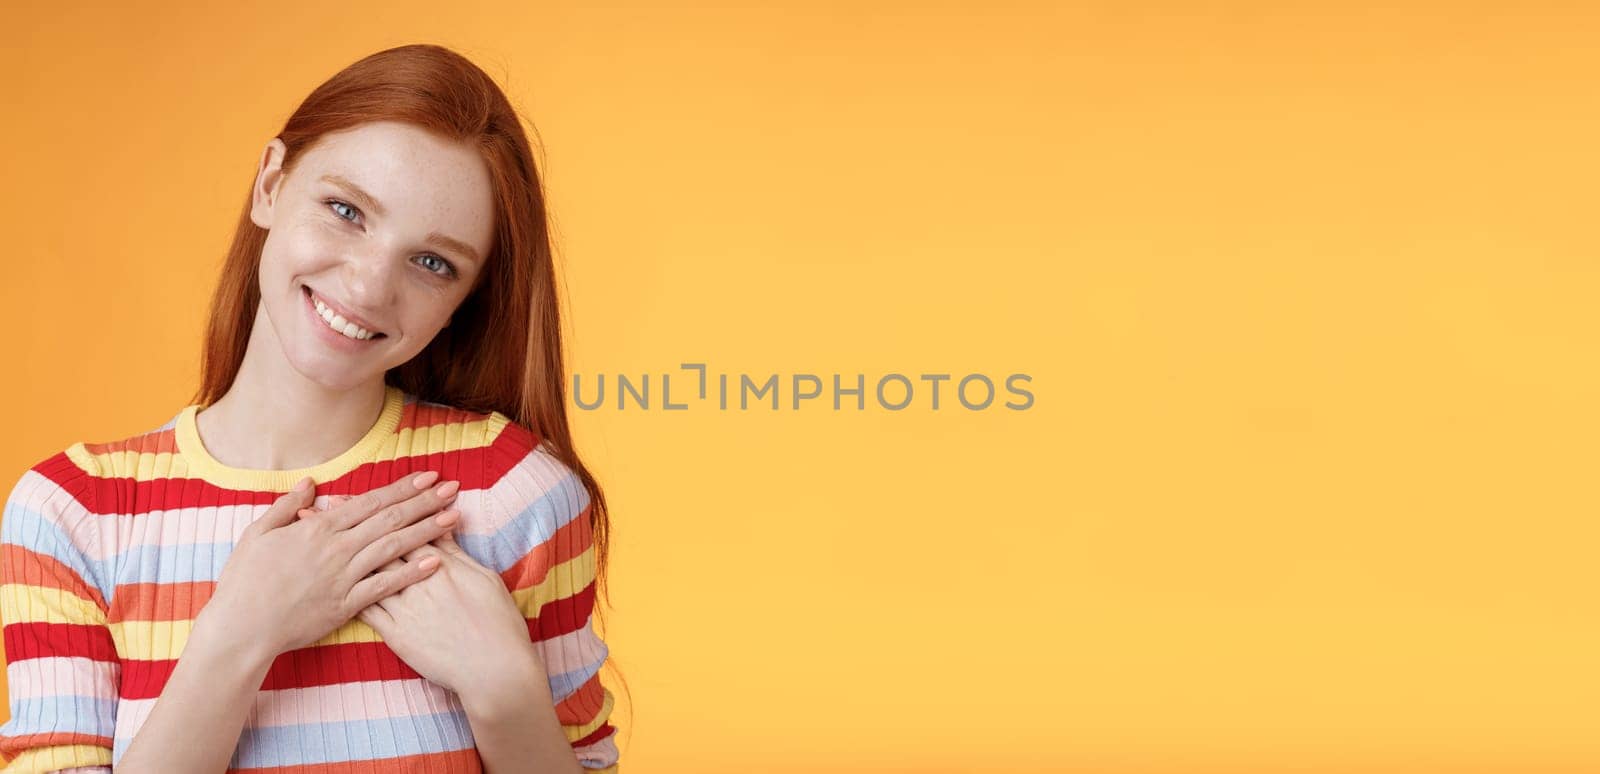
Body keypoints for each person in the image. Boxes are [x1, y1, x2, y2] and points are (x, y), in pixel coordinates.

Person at [0, 43, 625, 773]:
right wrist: (235, 638)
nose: (366, 287)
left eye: (432, 263)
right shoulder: (74, 513)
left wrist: (507, 693)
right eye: (345, 210)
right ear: (270, 184)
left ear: (464, 301)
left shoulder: (514, 491)